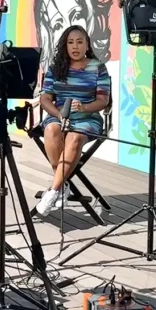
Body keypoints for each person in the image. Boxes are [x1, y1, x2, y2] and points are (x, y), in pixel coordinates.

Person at [34, 25, 110, 215]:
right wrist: (59, 114)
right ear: (65, 46)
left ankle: (54, 190)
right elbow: (45, 99)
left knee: (74, 138)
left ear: (87, 45)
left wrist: (84, 107)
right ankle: (62, 185)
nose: (75, 46)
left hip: (88, 117)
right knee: (51, 130)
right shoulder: (56, 67)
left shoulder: (97, 67)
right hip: (59, 115)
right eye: (70, 42)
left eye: (79, 42)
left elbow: (103, 100)